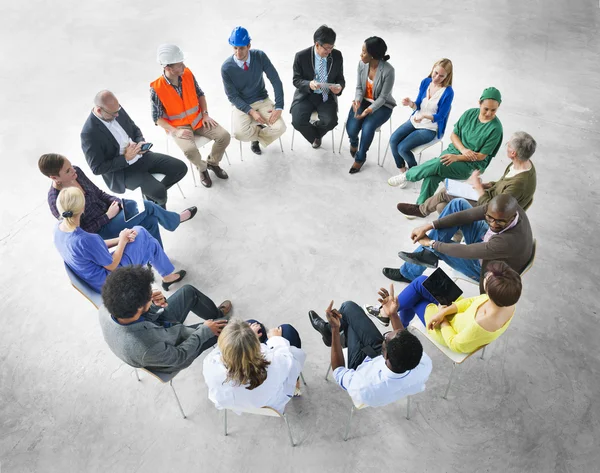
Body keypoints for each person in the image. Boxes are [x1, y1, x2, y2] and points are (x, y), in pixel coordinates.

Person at [383, 194, 534, 294]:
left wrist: (431, 243)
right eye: (489, 218)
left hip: (487, 269)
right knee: (458, 204)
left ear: (512, 216)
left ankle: (410, 271)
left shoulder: (508, 241)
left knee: (439, 247)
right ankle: (427, 255)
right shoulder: (506, 208)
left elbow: (467, 251)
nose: (493, 224)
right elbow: (470, 214)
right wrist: (430, 225)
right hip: (487, 244)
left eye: (499, 221)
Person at [308, 287, 432, 407]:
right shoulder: (422, 362)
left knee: (345, 317)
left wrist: (335, 329)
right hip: (381, 360)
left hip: (361, 367)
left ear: (386, 355)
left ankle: (329, 332)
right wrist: (393, 314)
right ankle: (331, 333)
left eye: (386, 338)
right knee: (348, 307)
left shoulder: (363, 385)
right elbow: (402, 341)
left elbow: (338, 371)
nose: (387, 333)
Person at [40, 154, 196, 248]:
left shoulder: (76, 172)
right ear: (54, 178)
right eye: (67, 170)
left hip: (113, 211)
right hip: (102, 229)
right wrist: (107, 216)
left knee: (150, 220)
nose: (73, 170)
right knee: (147, 206)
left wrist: (117, 202)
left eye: (70, 165)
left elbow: (99, 193)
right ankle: (173, 221)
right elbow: (82, 233)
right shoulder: (56, 202)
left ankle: (158, 260)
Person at [99, 265, 231, 373]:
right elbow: (180, 357)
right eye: (149, 295)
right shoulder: (145, 347)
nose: (152, 294)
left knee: (188, 292)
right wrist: (204, 331)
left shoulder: (107, 307)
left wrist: (153, 307)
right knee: (226, 330)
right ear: (138, 307)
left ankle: (217, 315)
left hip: (155, 329)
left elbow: (140, 319)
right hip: (170, 352)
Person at [368, 262, 520, 353]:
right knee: (421, 281)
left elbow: (454, 343)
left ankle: (394, 323)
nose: (486, 275)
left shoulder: (481, 323)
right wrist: (446, 310)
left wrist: (443, 318)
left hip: (447, 330)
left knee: (415, 299)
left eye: (487, 279)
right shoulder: (507, 301)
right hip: (454, 314)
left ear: (491, 294)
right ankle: (397, 323)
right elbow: (472, 302)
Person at [54, 187, 185, 293]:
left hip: (94, 278)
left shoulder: (59, 230)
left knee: (147, 237)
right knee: (143, 233)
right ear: (82, 208)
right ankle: (166, 275)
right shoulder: (85, 239)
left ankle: (165, 273)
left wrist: (121, 239)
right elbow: (112, 265)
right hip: (110, 280)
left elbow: (94, 248)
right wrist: (122, 241)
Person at [391, 87, 504, 204]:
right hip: (454, 152)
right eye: (486, 109)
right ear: (479, 103)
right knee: (432, 175)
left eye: (493, 110)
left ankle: (408, 175)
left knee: (440, 164)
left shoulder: (496, 129)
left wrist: (457, 157)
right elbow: (454, 135)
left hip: (471, 165)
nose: (489, 113)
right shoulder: (470, 114)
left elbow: (481, 156)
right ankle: (420, 207)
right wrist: (462, 150)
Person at [81, 90, 187, 207]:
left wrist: (140, 142)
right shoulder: (89, 133)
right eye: (113, 114)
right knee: (159, 192)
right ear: (99, 110)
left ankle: (152, 199)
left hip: (140, 155)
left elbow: (134, 129)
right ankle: (160, 207)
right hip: (123, 171)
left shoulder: (116, 110)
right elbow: (97, 168)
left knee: (180, 168)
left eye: (118, 110)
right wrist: (125, 158)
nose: (117, 115)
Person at [397, 131, 537, 218]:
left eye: (508, 145)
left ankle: (421, 210)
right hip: (491, 196)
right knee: (441, 207)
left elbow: (493, 209)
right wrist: (484, 185)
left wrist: (478, 187)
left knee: (446, 191)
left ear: (513, 153)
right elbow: (501, 185)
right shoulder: (520, 163)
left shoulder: (520, 183)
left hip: (492, 212)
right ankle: (457, 234)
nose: (506, 147)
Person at [152, 44, 231, 189]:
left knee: (224, 136)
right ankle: (202, 168)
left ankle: (213, 163)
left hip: (199, 119)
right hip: (179, 127)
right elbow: (157, 118)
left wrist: (205, 114)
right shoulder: (157, 88)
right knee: (189, 150)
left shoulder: (187, 74)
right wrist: (176, 131)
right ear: (168, 68)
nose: (184, 65)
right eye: (180, 64)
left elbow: (200, 94)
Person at [203, 319, 306, 414]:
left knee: (252, 324)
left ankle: (246, 339)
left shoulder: (210, 364)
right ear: (255, 347)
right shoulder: (273, 364)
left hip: (238, 403)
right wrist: (275, 339)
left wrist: (244, 340)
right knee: (287, 330)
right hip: (272, 401)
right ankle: (295, 385)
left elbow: (224, 349)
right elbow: (289, 360)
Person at [387, 59, 454, 187]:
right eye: (435, 73)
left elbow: (441, 116)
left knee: (402, 148)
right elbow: (418, 104)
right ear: (432, 69)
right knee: (393, 140)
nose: (436, 78)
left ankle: (413, 173)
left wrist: (424, 115)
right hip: (415, 120)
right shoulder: (426, 82)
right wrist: (410, 103)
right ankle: (403, 172)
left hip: (430, 128)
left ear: (447, 76)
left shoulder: (448, 92)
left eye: (441, 76)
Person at [221, 26, 286, 155]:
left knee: (280, 127)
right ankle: (258, 131)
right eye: (235, 48)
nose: (238, 52)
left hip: (262, 99)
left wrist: (279, 106)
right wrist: (251, 112)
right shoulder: (226, 68)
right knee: (239, 134)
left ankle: (257, 137)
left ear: (249, 45)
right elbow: (232, 96)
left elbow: (276, 80)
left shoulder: (260, 56)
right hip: (242, 104)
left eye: (242, 48)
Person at [345, 37, 396, 174]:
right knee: (351, 128)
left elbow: (383, 97)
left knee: (368, 127)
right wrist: (357, 101)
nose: (361, 54)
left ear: (373, 54)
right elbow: (359, 88)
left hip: (382, 105)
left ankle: (360, 157)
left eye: (364, 52)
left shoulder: (388, 71)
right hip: (364, 100)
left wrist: (369, 110)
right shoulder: (362, 64)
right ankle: (354, 142)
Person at [290, 25, 345, 149]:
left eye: (332, 47)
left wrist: (339, 87)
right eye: (326, 48)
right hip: (306, 95)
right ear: (317, 44)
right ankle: (316, 137)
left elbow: (340, 78)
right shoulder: (301, 56)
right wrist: (308, 84)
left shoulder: (337, 56)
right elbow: (296, 80)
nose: (329, 51)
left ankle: (316, 136)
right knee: (297, 122)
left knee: (331, 122)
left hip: (326, 96)